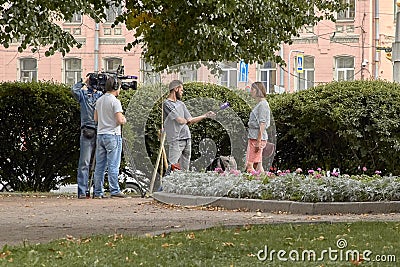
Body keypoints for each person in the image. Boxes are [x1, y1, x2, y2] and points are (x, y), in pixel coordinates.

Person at [163, 80, 216, 173]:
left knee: (185, 171)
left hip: (187, 138)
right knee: (172, 169)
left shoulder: (181, 104)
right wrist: (185, 121)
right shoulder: (167, 104)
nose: (182, 92)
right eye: (181, 90)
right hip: (176, 140)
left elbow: (190, 120)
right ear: (176, 89)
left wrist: (205, 115)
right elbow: (179, 120)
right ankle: (164, 187)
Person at [93, 76, 127, 198]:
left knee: (100, 166)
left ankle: (98, 192)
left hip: (101, 134)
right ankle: (114, 190)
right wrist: (124, 119)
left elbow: (95, 119)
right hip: (113, 135)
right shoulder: (115, 101)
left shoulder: (99, 100)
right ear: (116, 87)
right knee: (113, 164)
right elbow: (119, 120)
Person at [71, 75, 103, 199]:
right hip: (88, 131)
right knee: (85, 162)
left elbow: (74, 90)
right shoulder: (84, 96)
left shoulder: (100, 96)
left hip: (97, 130)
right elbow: (74, 90)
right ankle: (83, 191)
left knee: (95, 163)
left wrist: (85, 81)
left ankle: (96, 191)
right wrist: (84, 82)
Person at [246, 82, 271, 173]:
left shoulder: (263, 105)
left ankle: (253, 183)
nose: (251, 92)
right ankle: (264, 183)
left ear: (257, 91)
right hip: (254, 137)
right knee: (258, 165)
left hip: (256, 138)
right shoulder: (260, 104)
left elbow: (262, 123)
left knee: (250, 164)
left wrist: (258, 140)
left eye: (252, 89)